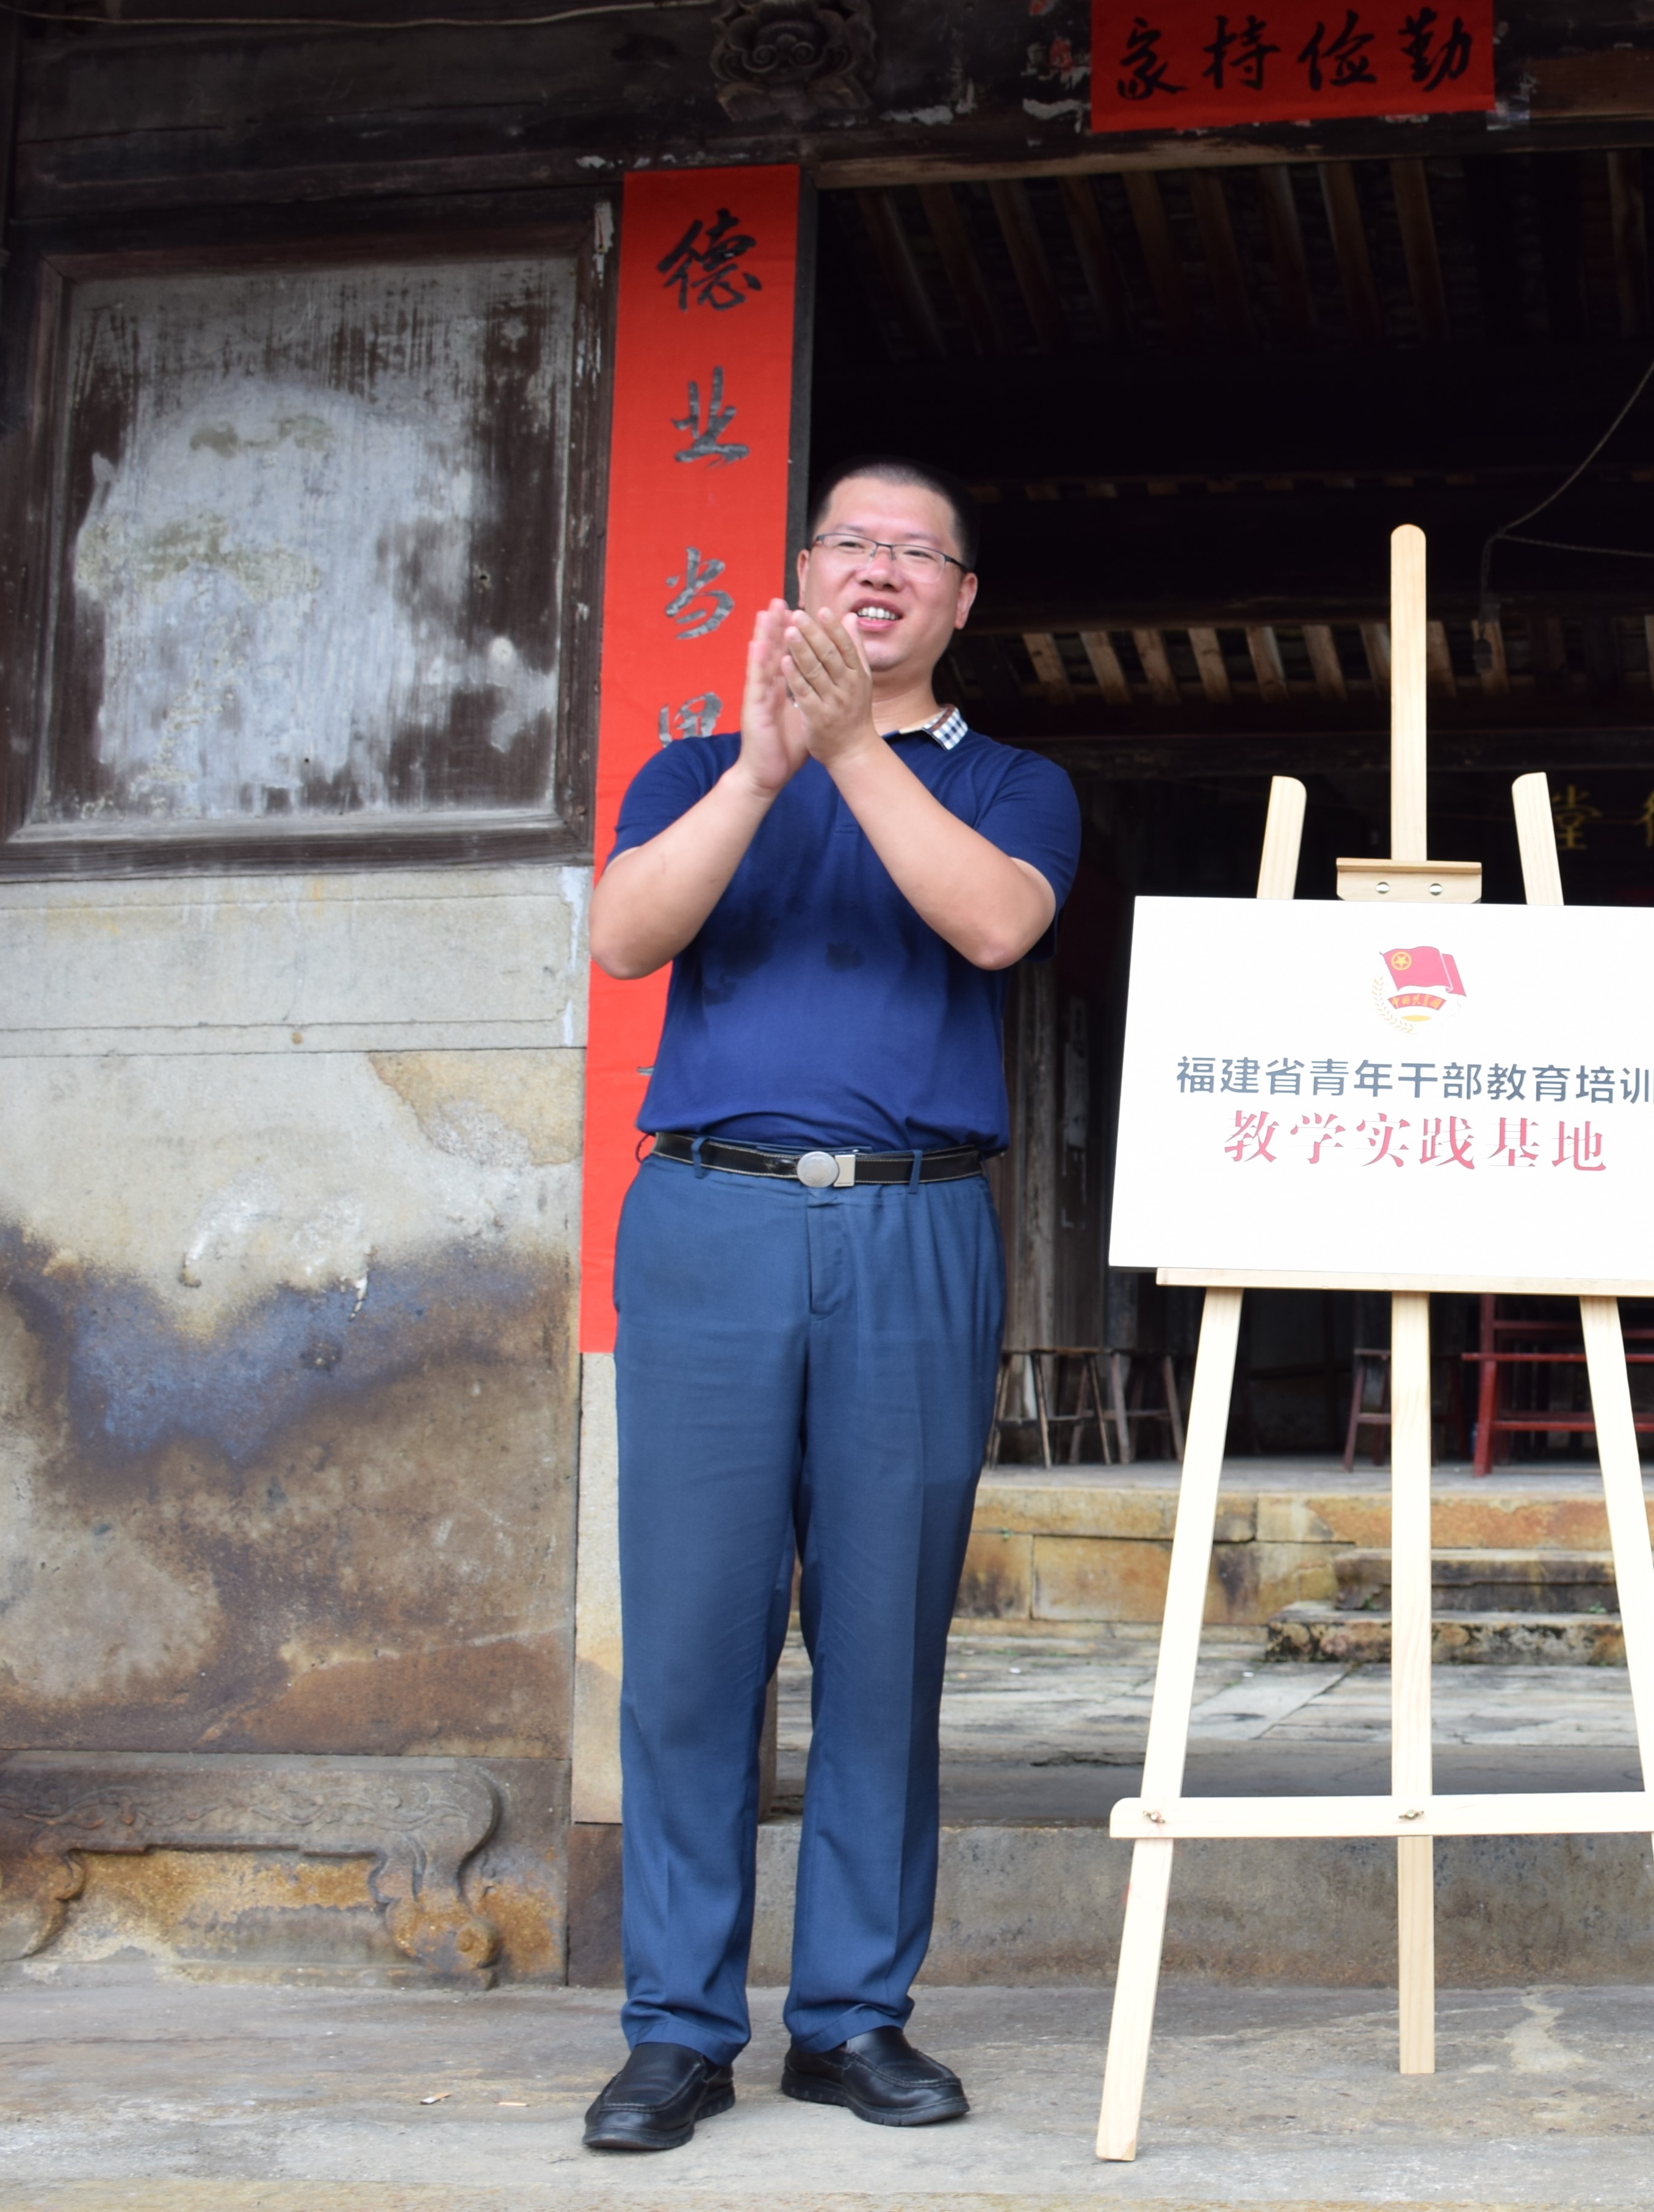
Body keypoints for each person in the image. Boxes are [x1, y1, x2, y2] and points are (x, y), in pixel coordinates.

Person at [577, 462, 1080, 2153]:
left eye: (914, 554)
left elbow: (999, 923)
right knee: (693, 1645)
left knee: (884, 1643)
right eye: (849, 545)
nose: (880, 571)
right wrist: (770, 764)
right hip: (709, 1221)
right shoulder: (694, 768)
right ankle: (678, 2025)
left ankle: (853, 2015)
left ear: (960, 603)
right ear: (800, 578)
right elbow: (625, 934)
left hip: (913, 1231)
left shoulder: (1014, 781)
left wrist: (855, 750)